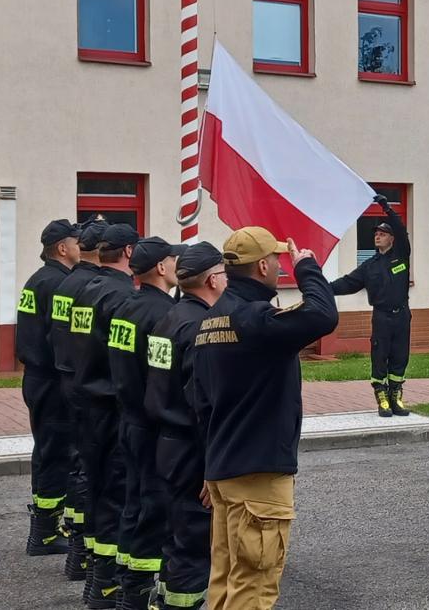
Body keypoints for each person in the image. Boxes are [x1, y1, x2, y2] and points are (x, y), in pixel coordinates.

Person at [189, 227, 340, 610]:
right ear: (262, 266)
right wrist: (307, 267)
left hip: (226, 468)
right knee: (253, 588)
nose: (279, 264)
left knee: (226, 584)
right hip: (257, 474)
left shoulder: (212, 321)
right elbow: (322, 315)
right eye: (277, 259)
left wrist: (211, 464)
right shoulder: (255, 319)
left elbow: (201, 402)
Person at [143, 242, 227, 610]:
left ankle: (164, 600)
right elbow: (202, 404)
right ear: (212, 279)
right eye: (225, 274)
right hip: (192, 450)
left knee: (174, 538)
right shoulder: (199, 327)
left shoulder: (170, 317)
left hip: (166, 442)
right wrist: (213, 466)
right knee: (194, 544)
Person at [107, 236, 186, 610]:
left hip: (129, 418)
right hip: (152, 425)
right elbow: (163, 378)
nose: (177, 266)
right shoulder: (162, 315)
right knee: (154, 508)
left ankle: (126, 585)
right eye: (173, 260)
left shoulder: (126, 306)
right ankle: (138, 594)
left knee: (133, 503)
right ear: (160, 267)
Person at [68, 221, 142, 609]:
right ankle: (108, 582)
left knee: (96, 489)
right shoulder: (120, 297)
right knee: (116, 492)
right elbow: (126, 359)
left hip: (86, 402)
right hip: (112, 406)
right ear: (129, 252)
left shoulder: (87, 290)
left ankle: (96, 572)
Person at [50, 219, 109, 582]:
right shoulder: (96, 289)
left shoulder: (68, 284)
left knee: (81, 464)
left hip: (69, 379)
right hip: (93, 389)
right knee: (97, 472)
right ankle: (89, 556)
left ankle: (77, 542)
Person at [17, 218, 80, 557]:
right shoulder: (58, 284)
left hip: (38, 377)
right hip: (53, 380)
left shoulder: (39, 279)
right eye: (76, 241)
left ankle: (46, 524)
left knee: (47, 450)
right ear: (62, 248)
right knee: (57, 453)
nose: (80, 247)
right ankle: (45, 532)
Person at [330, 193, 413, 417]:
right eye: (376, 233)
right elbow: (348, 283)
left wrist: (386, 206)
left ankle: (397, 396)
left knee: (400, 355)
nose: (377, 236)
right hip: (382, 316)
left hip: (402, 315)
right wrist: (323, 288)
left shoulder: (401, 255)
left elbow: (400, 228)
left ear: (392, 239)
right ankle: (382, 398)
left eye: (383, 233)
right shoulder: (369, 266)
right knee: (380, 355)